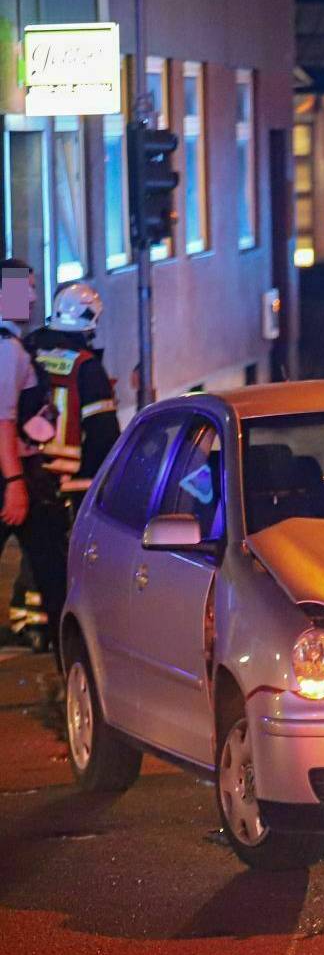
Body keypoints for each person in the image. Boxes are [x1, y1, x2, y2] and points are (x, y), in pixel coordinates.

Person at [0, 258, 70, 662]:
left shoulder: (13, 346)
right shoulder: (7, 350)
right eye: (22, 287)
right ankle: (70, 658)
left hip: (16, 470)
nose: (30, 296)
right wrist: (14, 484)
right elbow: (3, 421)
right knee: (53, 571)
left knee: (50, 565)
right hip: (15, 474)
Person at [25, 282, 121, 496]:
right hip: (71, 485)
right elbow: (103, 435)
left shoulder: (27, 350)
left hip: (26, 476)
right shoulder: (86, 366)